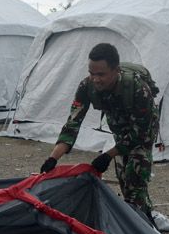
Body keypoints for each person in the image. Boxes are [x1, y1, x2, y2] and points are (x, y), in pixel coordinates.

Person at [39, 43, 160, 220]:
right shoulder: (86, 86)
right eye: (91, 73)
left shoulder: (138, 89)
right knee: (124, 179)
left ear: (116, 70)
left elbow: (139, 134)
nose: (95, 79)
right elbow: (72, 124)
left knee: (135, 175)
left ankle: (142, 223)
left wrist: (108, 155)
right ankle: (139, 210)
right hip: (119, 128)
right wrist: (53, 158)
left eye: (101, 74)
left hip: (142, 130)